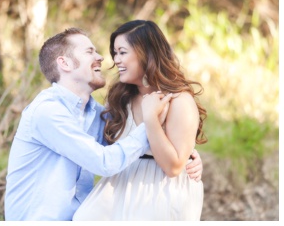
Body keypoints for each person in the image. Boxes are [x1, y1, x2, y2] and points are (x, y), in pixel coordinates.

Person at [4, 28, 201, 221]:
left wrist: (186, 152)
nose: (102, 58)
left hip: (79, 215)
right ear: (64, 63)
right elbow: (105, 162)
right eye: (89, 52)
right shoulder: (47, 112)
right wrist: (151, 122)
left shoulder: (96, 113)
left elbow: (126, 143)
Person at [73, 20, 206, 220]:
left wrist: (151, 119)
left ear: (146, 53)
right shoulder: (121, 98)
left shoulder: (179, 101)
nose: (116, 60)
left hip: (161, 191)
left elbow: (173, 167)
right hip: (121, 184)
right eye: (115, 53)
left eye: (122, 52)